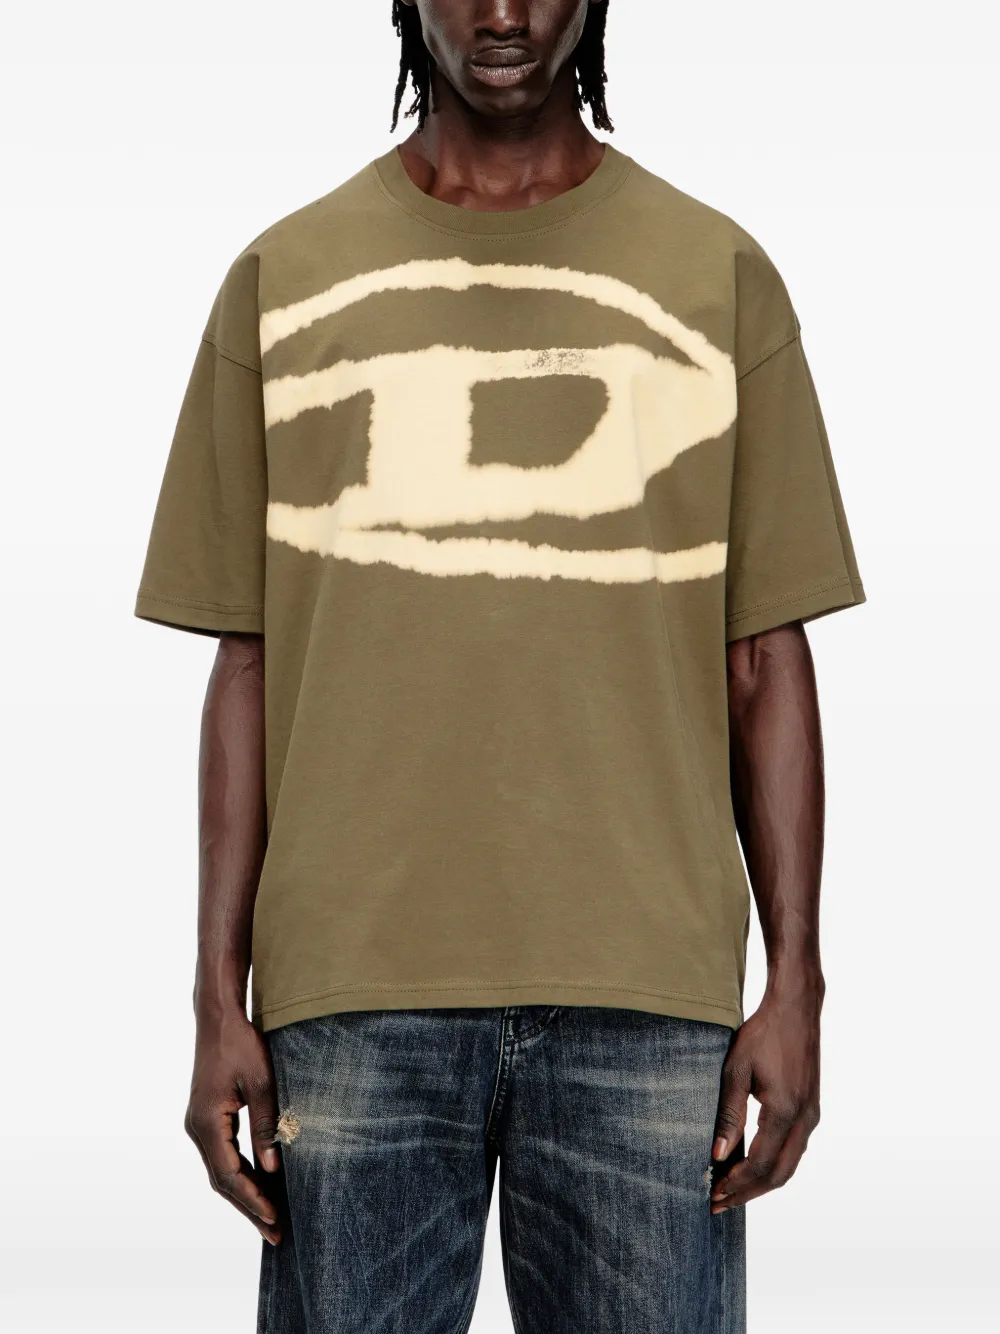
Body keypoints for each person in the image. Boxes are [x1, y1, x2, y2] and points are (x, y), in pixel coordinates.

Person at [134, 2, 865, 1330]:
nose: (505, 13)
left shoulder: (717, 275)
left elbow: (765, 655)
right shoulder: (284, 279)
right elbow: (248, 660)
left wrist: (798, 983)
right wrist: (212, 996)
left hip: (647, 994)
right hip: (352, 990)